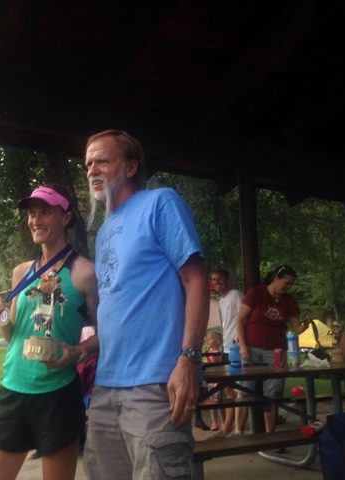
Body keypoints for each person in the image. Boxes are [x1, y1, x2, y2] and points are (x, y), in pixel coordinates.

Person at [83, 129, 210, 480]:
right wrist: (80, 351)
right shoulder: (104, 231)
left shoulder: (160, 203)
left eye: (102, 161)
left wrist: (188, 360)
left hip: (156, 385)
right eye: (88, 164)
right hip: (105, 386)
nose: (92, 170)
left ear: (130, 167)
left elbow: (197, 282)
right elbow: (120, 308)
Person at [0, 184, 99, 480]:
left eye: (45, 212)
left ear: (66, 218)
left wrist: (79, 352)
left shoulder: (84, 273)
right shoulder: (22, 272)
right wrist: (1, 316)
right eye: (32, 214)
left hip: (58, 394)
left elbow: (108, 332)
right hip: (13, 388)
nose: (35, 220)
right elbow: (13, 336)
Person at [235, 264, 310, 436]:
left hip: (276, 350)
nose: (288, 287)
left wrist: (305, 325)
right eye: (286, 282)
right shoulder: (256, 293)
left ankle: (271, 435)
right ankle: (239, 432)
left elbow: (296, 328)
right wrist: (242, 345)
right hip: (251, 347)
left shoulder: (289, 300)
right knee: (244, 390)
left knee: (273, 392)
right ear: (276, 279)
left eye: (291, 284)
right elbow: (240, 319)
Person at [206, 268, 243, 438]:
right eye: (214, 279)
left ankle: (238, 429)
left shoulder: (235, 295)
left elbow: (244, 318)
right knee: (228, 389)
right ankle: (226, 427)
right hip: (226, 348)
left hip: (237, 348)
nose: (216, 282)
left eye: (219, 279)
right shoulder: (220, 301)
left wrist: (242, 342)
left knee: (240, 390)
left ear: (227, 280)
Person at [203, 330, 224, 430]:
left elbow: (212, 364)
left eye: (210, 339)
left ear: (217, 342)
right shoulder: (210, 352)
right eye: (207, 340)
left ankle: (223, 421)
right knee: (212, 402)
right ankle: (214, 422)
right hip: (210, 381)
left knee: (217, 401)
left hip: (216, 381)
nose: (207, 342)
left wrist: (206, 356)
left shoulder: (216, 353)